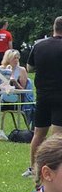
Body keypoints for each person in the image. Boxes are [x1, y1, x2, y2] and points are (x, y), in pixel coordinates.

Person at [26, 17, 62, 178]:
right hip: (60, 95)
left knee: (38, 133)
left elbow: (30, 67)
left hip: (42, 95)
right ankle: (54, 169)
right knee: (57, 136)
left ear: (53, 28)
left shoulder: (39, 45)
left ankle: (33, 168)